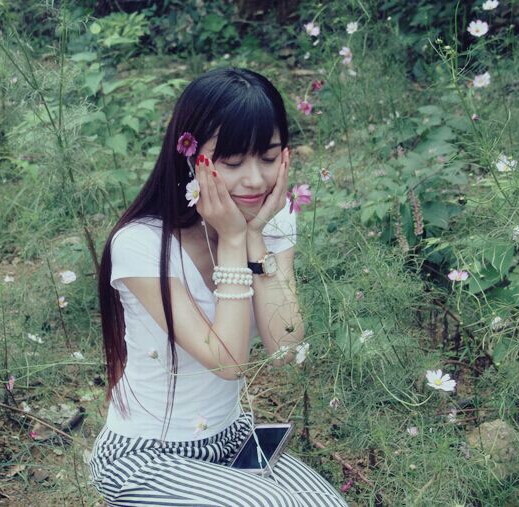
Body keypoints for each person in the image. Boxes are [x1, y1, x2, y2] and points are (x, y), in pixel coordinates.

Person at [89, 67, 347, 506]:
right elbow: (228, 363)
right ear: (191, 157)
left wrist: (255, 236)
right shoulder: (141, 243)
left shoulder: (273, 221)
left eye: (269, 158)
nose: (255, 180)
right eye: (232, 162)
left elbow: (286, 351)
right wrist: (231, 240)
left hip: (232, 440)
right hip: (144, 456)